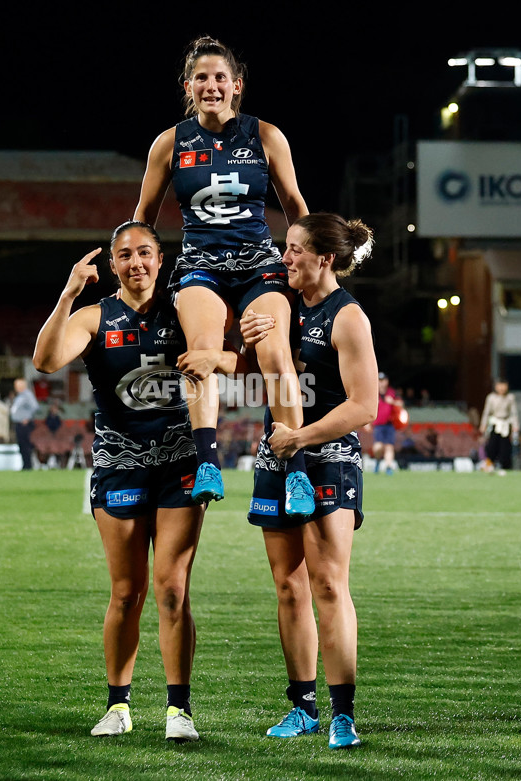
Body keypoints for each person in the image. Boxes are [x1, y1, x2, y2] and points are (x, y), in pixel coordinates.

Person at [33, 221, 239, 742]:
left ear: (161, 257)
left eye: (145, 252)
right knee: (127, 592)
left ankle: (179, 711)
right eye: (124, 255)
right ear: (113, 263)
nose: (136, 263)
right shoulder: (95, 316)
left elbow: (226, 364)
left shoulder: (186, 308)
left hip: (180, 464)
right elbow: (45, 361)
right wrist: (68, 293)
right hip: (120, 464)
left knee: (173, 587)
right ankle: (118, 705)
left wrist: (227, 354)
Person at [133, 34, 314, 518]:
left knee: (276, 354)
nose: (210, 86)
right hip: (200, 265)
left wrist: (308, 265)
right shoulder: (169, 143)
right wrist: (138, 278)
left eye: (219, 78)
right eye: (201, 78)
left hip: (260, 263)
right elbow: (142, 221)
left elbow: (296, 209)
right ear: (187, 86)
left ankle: (295, 468)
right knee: (200, 356)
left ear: (236, 85)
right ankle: (208, 463)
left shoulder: (267, 135)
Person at [241, 212, 378, 749]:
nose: (285, 257)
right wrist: (243, 344)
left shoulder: (348, 318)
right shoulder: (280, 306)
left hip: (328, 454)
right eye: (285, 246)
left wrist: (303, 437)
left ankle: (343, 716)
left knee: (327, 583)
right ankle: (302, 707)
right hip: (279, 452)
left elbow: (363, 405)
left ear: (324, 258)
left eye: (295, 249)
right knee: (289, 586)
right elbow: (256, 371)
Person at [479, 378, 520, 473]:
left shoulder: (510, 397)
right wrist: (483, 424)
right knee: (492, 445)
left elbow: (513, 412)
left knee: (505, 446)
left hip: (505, 424)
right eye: (500, 385)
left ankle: (504, 466)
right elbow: (486, 412)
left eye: (504, 385)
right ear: (496, 386)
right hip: (495, 423)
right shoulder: (491, 397)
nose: (502, 388)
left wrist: (515, 425)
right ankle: (489, 464)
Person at [369, 372, 404, 475]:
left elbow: (401, 404)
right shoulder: (373, 394)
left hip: (390, 424)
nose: (381, 383)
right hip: (378, 425)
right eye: (379, 380)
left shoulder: (392, 393)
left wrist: (392, 402)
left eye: (383, 380)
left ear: (387, 381)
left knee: (389, 446)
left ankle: (388, 467)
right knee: (378, 446)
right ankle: (377, 460)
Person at [10, 378, 39, 470]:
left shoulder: (27, 395)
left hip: (24, 424)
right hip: (19, 423)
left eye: (17, 385)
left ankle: (28, 465)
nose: (15, 387)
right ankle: (25, 464)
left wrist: (27, 417)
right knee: (21, 445)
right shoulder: (20, 396)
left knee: (25, 445)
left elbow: (35, 407)